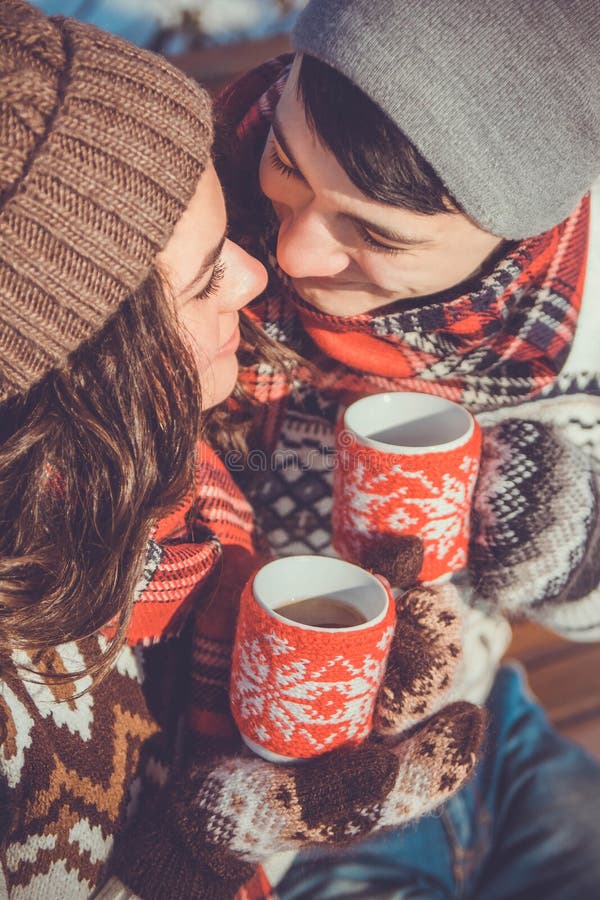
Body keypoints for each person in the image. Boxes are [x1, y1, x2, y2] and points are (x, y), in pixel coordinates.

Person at [0, 3, 487, 898]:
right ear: (82, 369)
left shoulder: (160, 472)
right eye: (202, 278)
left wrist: (303, 730)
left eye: (228, 237)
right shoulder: (26, 691)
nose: (261, 274)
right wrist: (203, 848)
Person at [213, 0, 600, 896]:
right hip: (290, 780)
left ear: (515, 235)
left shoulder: (574, 322)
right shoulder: (195, 235)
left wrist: (555, 538)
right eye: (286, 159)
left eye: (378, 233)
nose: (298, 252)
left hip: (486, 711)